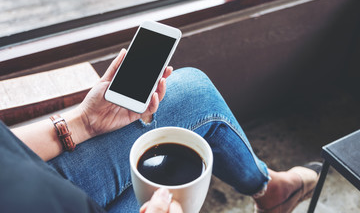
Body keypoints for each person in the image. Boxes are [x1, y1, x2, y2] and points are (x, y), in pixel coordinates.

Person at [0, 49, 321, 213]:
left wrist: (80, 123)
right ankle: (273, 190)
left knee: (195, 91)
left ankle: (270, 188)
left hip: (33, 174)